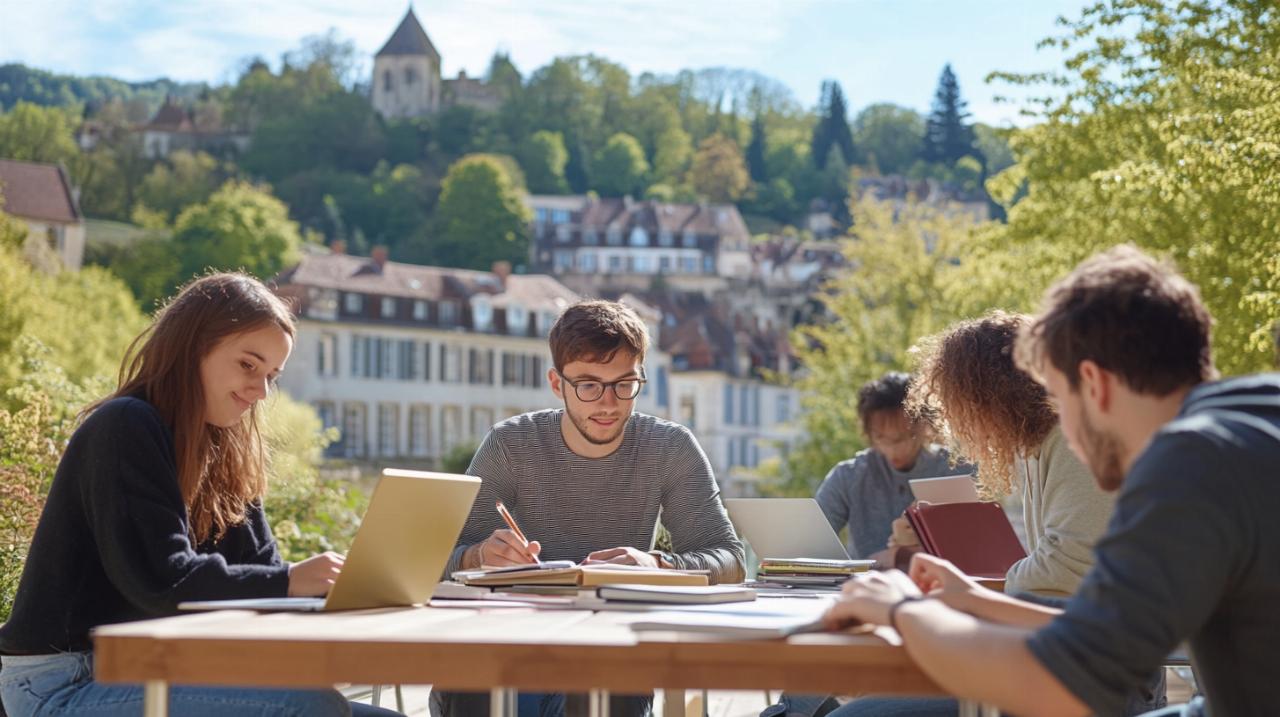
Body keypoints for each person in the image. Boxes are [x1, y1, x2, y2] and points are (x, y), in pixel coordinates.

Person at [825, 245, 1279, 717]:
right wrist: (978, 600)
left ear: (1094, 384)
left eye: (1058, 400)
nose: (1067, 436)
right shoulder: (1252, 415)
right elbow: (1103, 632)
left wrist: (902, 611)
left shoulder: (1187, 460)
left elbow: (1060, 687)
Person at [0, 273, 400, 716]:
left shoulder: (225, 452)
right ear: (193, 347)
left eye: (271, 376)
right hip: (65, 683)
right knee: (308, 707)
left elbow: (261, 574)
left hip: (157, 670)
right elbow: (162, 583)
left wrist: (341, 594)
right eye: (248, 365)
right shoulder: (124, 426)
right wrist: (290, 580)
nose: (261, 391)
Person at [435, 300, 745, 717]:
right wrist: (476, 557)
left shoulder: (669, 448)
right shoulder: (510, 445)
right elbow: (431, 564)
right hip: (506, 650)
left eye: (624, 384)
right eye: (588, 385)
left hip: (612, 654)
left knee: (605, 691)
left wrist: (658, 565)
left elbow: (729, 560)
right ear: (556, 383)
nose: (608, 403)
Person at [814, 372, 961, 563]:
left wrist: (900, 557)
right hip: (865, 581)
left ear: (924, 425)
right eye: (880, 438)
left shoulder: (956, 469)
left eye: (900, 439)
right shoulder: (848, 476)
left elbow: (977, 548)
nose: (892, 449)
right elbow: (810, 543)